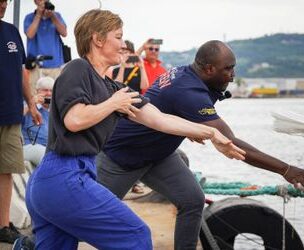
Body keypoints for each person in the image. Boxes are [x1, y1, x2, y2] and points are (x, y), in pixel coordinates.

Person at [25, 10, 245, 250]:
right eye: (118, 37)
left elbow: (160, 120)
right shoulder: (78, 69)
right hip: (63, 175)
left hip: (63, 180)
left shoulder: (113, 88)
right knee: (136, 235)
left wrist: (211, 133)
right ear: (98, 40)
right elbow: (74, 120)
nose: (123, 45)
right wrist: (113, 104)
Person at [96, 40, 304, 249]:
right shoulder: (190, 92)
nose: (233, 75)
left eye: (233, 67)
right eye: (227, 69)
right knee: (91, 216)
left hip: (159, 155)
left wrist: (190, 127)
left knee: (192, 200)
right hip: (121, 158)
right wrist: (285, 169)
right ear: (208, 69)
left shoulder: (186, 72)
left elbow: (167, 105)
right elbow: (231, 143)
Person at [0, 0, 42, 244]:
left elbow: (22, 72)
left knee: (6, 170)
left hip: (11, 115)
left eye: (5, 0)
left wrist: (32, 105)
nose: (3, 4)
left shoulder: (12, 32)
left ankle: (3, 225)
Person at [24, 0, 67, 94]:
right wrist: (38, 15)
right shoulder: (29, 17)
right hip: (36, 65)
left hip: (55, 65)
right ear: (35, 2)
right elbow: (30, 34)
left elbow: (64, 33)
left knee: (55, 95)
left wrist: (53, 16)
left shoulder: (57, 16)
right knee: (35, 95)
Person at [22, 76, 54, 167]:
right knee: (43, 154)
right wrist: (32, 104)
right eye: (44, 90)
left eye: (51, 91)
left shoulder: (56, 110)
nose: (48, 93)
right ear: (37, 91)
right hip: (30, 146)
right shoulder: (28, 106)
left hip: (51, 148)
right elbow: (14, 118)